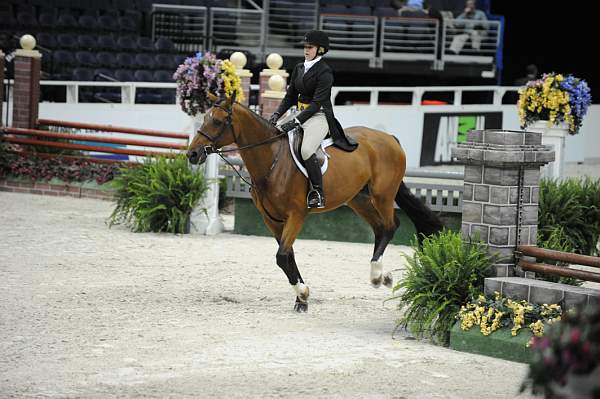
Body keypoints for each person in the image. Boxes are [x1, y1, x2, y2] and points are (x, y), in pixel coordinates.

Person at [268, 30, 357, 209]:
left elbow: (317, 103)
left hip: (319, 116)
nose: (306, 50)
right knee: (273, 135)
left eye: (310, 47)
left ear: (320, 50)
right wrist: (277, 114)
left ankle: (317, 192)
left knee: (307, 150)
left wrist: (296, 121)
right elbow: (290, 96)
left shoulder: (325, 72)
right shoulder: (300, 68)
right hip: (299, 113)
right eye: (305, 47)